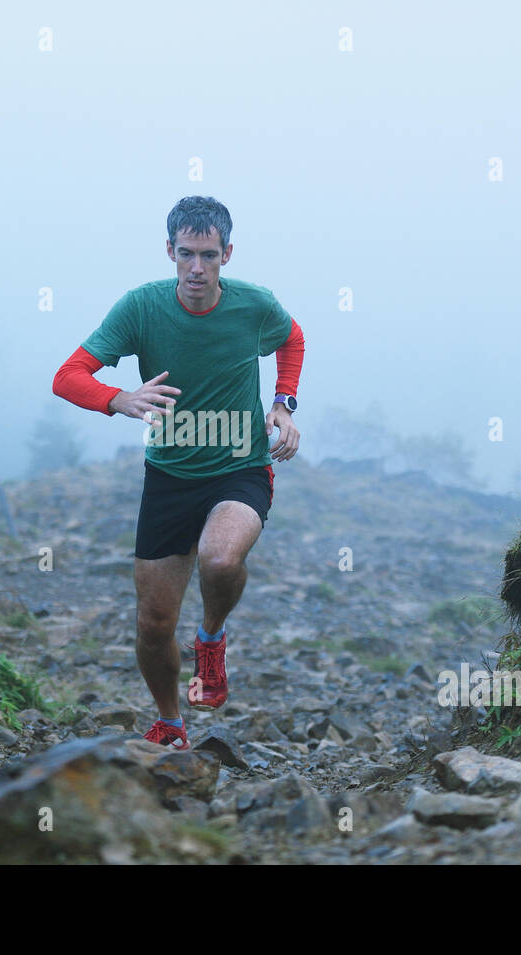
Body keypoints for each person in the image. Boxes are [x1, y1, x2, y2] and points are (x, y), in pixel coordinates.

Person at [51, 196, 305, 749]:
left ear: (227, 255)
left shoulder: (254, 306)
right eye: (186, 254)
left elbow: (291, 338)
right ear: (169, 251)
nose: (196, 268)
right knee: (153, 625)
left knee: (219, 557)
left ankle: (211, 638)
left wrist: (284, 402)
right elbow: (67, 376)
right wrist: (118, 398)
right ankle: (170, 721)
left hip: (239, 466)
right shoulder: (140, 309)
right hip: (168, 476)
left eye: (209, 256)